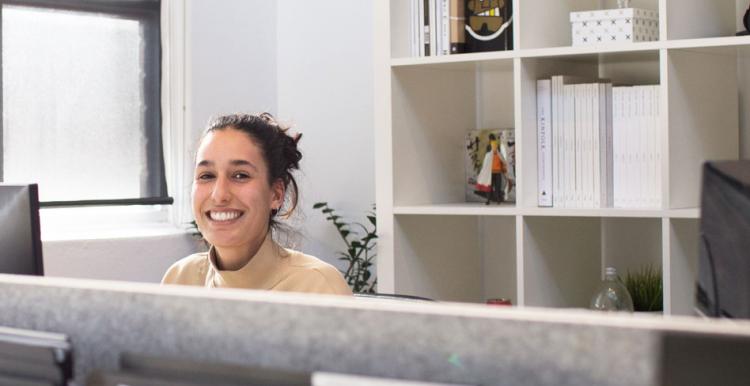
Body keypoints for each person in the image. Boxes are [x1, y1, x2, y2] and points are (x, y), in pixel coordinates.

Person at [162, 113, 352, 296]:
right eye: (207, 176)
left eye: (240, 175)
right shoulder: (179, 279)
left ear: (276, 194)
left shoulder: (318, 287)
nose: (219, 195)